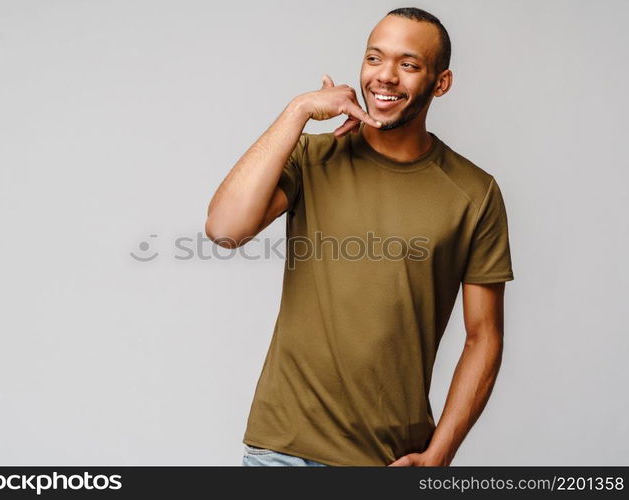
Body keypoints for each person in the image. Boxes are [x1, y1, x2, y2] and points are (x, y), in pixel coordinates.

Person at [206, 7, 514, 467]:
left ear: (441, 82)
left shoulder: (474, 192)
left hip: (389, 461)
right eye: (375, 59)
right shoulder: (313, 157)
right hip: (282, 451)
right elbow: (224, 229)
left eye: (408, 65)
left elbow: (483, 338)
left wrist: (439, 455)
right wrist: (299, 112)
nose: (385, 77)